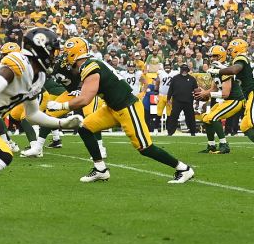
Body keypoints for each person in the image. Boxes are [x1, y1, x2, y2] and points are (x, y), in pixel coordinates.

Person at [0, 28, 83, 216]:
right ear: (39, 49)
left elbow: (33, 114)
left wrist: (61, 124)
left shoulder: (39, 76)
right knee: (4, 154)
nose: (53, 56)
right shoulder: (19, 63)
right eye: (51, 51)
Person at [50, 36, 195, 184]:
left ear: (75, 52)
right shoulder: (87, 66)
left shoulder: (90, 67)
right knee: (84, 128)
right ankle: (100, 169)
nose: (64, 56)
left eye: (67, 52)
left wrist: (62, 106)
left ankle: (183, 169)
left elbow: (85, 99)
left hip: (127, 107)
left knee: (145, 148)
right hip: (112, 108)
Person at [197, 45, 240, 154]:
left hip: (235, 100)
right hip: (226, 100)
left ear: (220, 56)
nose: (211, 59)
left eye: (214, 56)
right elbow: (213, 88)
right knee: (206, 118)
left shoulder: (224, 70)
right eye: (210, 56)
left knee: (215, 117)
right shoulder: (215, 70)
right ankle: (211, 145)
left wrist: (208, 94)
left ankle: (224, 144)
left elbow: (225, 93)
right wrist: (204, 92)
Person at [165, 64, 198, 136]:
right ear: (180, 70)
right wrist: (168, 98)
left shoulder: (192, 79)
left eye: (185, 70)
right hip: (177, 101)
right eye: (183, 70)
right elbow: (170, 89)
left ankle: (193, 132)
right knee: (173, 116)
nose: (184, 71)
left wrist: (197, 101)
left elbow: (196, 90)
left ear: (188, 71)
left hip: (188, 101)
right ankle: (170, 132)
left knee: (190, 117)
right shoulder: (175, 78)